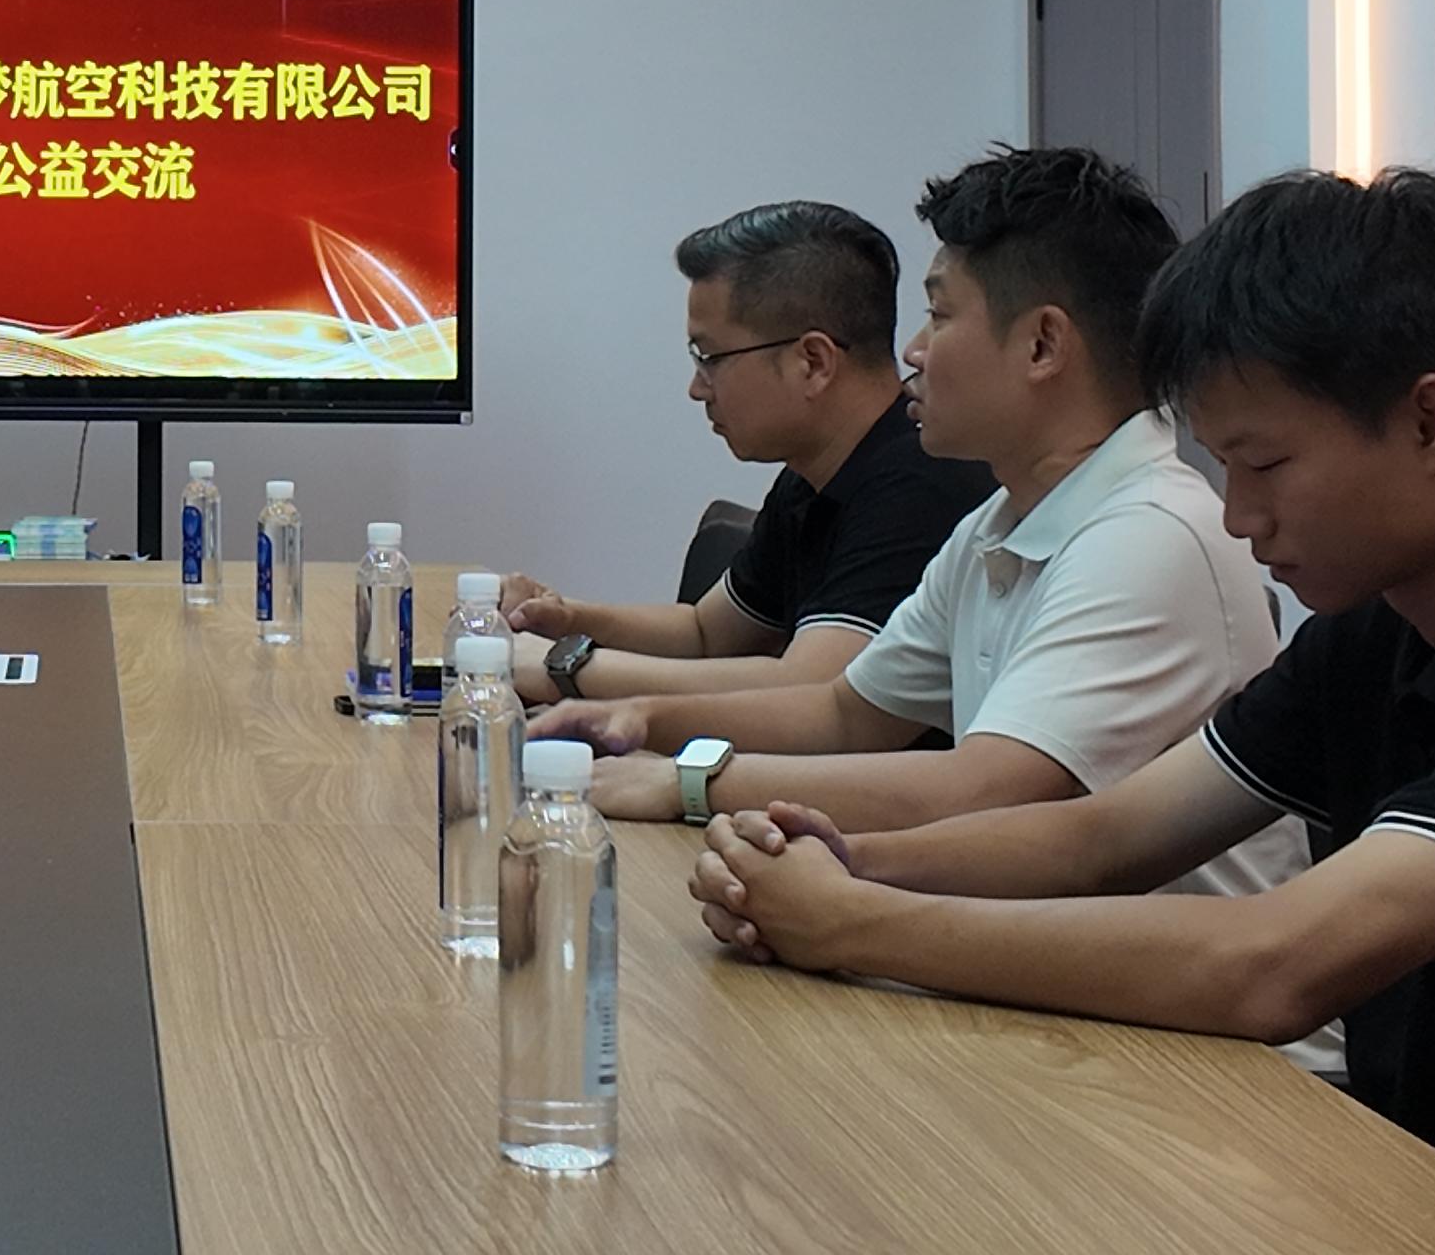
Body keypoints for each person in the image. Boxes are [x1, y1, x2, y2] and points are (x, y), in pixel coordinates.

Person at [683, 168, 1435, 1216]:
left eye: (1265, 465)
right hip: (1419, 1178)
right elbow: (1109, 836)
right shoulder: (1387, 617)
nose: (1240, 516)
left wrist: (859, 925)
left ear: (1431, 422)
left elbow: (1274, 965)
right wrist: (845, 859)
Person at [539, 150, 1303, 918]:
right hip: (1020, 948)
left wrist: (689, 781)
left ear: (1042, 346)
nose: (914, 351)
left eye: (940, 315)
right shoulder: (999, 524)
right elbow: (846, 713)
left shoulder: (1149, 536)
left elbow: (986, 788)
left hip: (1144, 990)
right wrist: (644, 718)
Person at [498, 201, 991, 708]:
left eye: (710, 358)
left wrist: (567, 668)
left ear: (813, 362)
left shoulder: (920, 480)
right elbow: (705, 634)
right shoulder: (814, 472)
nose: (696, 388)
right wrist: (566, 617)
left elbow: (810, 690)